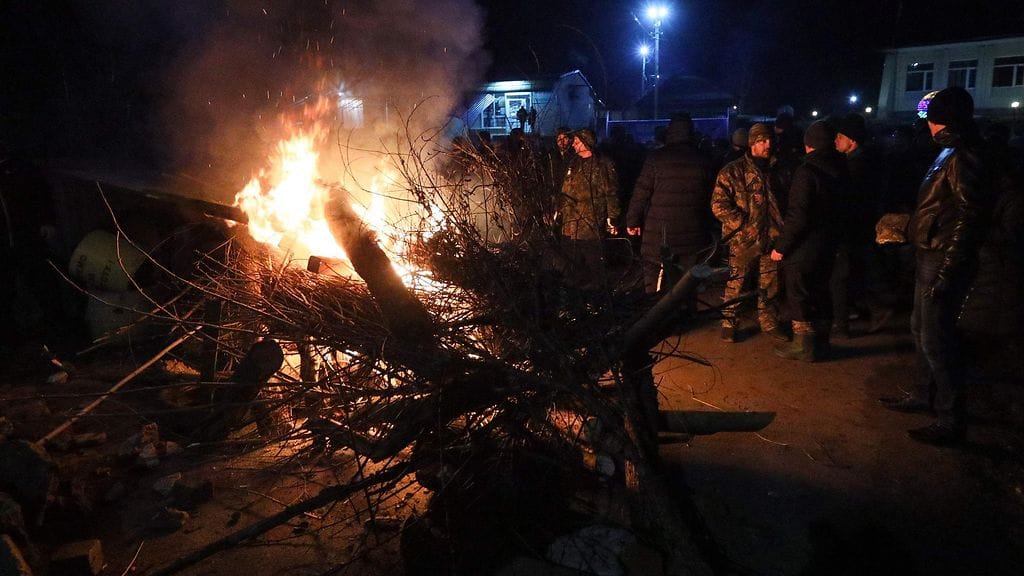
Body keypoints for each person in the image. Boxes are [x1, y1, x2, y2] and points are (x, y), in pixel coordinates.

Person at [879, 87, 995, 445]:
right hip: (929, 253)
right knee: (919, 330)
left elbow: (969, 217)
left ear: (940, 120)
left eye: (930, 116)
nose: (926, 123)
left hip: (941, 258)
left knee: (937, 340)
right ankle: (922, 394)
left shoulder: (963, 155)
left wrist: (948, 271)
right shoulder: (948, 151)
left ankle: (950, 419)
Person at [771, 120, 848, 362]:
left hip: (806, 246)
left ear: (808, 145)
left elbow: (798, 215)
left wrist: (781, 247)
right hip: (829, 243)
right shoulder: (841, 167)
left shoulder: (807, 172)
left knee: (800, 293)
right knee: (821, 291)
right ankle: (822, 342)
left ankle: (804, 346)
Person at [711, 123, 786, 342]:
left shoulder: (778, 170)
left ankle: (769, 321)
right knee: (737, 282)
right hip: (742, 241)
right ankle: (729, 322)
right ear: (752, 143)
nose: (768, 144)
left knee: (770, 283)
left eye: (770, 140)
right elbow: (718, 205)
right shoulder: (733, 171)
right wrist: (745, 225)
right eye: (762, 141)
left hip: (772, 238)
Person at [626, 113, 716, 293]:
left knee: (655, 283)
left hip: (659, 233)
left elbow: (641, 192)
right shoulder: (703, 159)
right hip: (693, 232)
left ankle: (655, 317)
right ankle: (685, 317)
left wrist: (632, 221)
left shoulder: (656, 158)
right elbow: (711, 198)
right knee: (686, 282)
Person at [556, 128, 620, 283]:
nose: (573, 145)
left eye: (577, 142)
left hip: (591, 223)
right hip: (570, 224)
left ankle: (599, 297)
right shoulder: (572, 163)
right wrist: (558, 210)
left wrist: (612, 218)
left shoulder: (603, 164)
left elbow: (611, 193)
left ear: (586, 143)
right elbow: (564, 189)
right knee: (572, 267)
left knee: (595, 265)